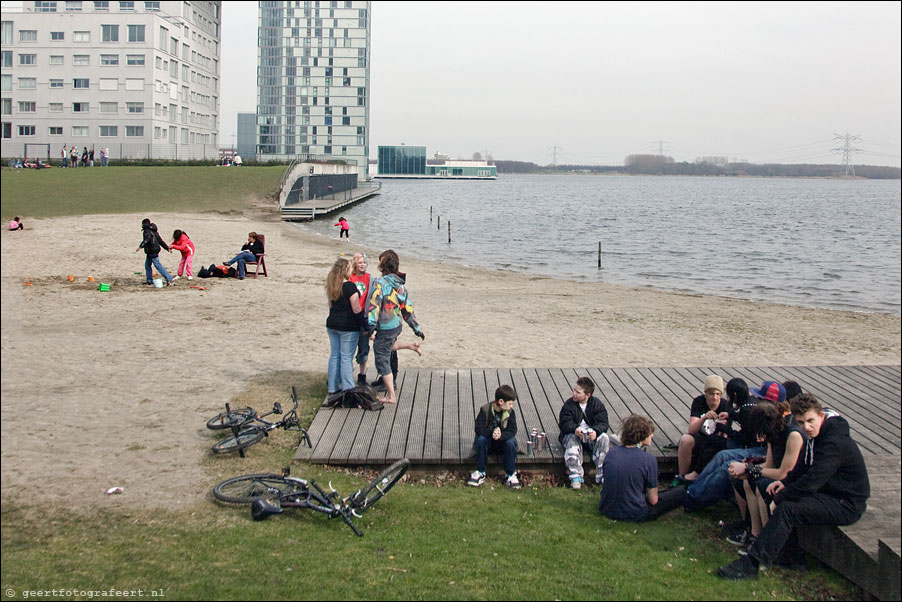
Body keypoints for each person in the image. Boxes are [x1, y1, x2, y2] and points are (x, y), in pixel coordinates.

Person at [718, 393, 870, 580]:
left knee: (787, 508)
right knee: (772, 491)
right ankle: (791, 558)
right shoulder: (818, 434)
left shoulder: (834, 443)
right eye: (801, 422)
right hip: (829, 493)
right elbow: (803, 466)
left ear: (821, 416)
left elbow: (813, 480)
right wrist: (784, 483)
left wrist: (783, 496)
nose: (807, 427)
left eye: (810, 420)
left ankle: (753, 564)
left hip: (846, 503)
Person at [684, 379, 784, 512]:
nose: (756, 400)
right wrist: (732, 415)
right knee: (721, 455)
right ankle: (693, 489)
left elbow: (745, 439)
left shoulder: (773, 421)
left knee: (726, 465)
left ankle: (693, 498)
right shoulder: (759, 411)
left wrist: (724, 428)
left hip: (756, 450)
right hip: (759, 449)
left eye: (759, 398)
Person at [726, 402, 805, 547]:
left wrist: (748, 468)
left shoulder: (793, 436)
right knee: (744, 480)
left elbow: (783, 473)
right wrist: (747, 469)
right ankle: (753, 531)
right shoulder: (773, 435)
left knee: (762, 485)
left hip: (795, 482)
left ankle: (766, 540)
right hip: (781, 477)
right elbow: (769, 465)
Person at [599, 415, 686, 521]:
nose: (652, 436)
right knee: (680, 493)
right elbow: (653, 500)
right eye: (650, 433)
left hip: (606, 509)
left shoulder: (612, 452)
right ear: (642, 435)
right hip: (634, 513)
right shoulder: (648, 459)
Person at [366, 249, 424, 404]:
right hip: (396, 325)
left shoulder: (380, 284)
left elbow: (374, 306)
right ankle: (411, 346)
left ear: (383, 265)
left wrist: (370, 326)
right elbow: (407, 308)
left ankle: (391, 395)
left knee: (381, 358)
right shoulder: (400, 285)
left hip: (386, 326)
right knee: (389, 347)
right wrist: (416, 328)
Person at [675, 375, 731, 483]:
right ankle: (682, 476)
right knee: (686, 439)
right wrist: (704, 417)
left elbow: (726, 434)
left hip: (715, 440)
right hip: (700, 437)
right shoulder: (698, 402)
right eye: (711, 394)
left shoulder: (726, 405)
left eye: (718, 394)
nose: (714, 397)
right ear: (706, 394)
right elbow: (691, 429)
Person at [558, 376, 611, 489]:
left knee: (605, 438)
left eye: (578, 392)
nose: (574, 394)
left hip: (591, 436)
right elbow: (564, 423)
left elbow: (603, 423)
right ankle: (575, 476)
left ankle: (602, 475)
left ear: (587, 395)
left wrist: (596, 432)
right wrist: (574, 429)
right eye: (574, 390)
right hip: (575, 435)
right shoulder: (569, 404)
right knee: (571, 440)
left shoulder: (596, 404)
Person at [467, 385, 521, 489]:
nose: (511, 406)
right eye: (509, 403)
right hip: (489, 443)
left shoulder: (510, 413)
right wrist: (492, 433)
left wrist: (501, 435)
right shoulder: (485, 410)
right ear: (501, 402)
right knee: (481, 440)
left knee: (511, 442)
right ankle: (481, 472)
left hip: (503, 443)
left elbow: (512, 430)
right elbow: (478, 429)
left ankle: (510, 474)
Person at [325, 257, 364, 395]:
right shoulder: (349, 286)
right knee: (346, 356)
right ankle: (348, 387)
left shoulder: (332, 285)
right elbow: (356, 308)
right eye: (350, 268)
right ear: (345, 270)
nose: (352, 270)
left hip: (333, 323)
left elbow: (330, 306)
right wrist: (364, 324)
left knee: (335, 355)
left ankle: (332, 387)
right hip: (348, 326)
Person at [349, 252, 373, 386]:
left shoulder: (370, 278)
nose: (362, 265)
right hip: (352, 317)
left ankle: (362, 374)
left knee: (364, 347)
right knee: (350, 346)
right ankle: (347, 373)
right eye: (360, 263)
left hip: (365, 316)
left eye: (364, 262)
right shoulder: (350, 277)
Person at [135, 218, 173, 286]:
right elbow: (160, 241)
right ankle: (149, 280)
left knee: (157, 265)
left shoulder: (146, 230)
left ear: (143, 224)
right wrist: (167, 248)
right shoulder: (154, 230)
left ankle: (168, 278)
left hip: (152, 250)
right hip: (152, 250)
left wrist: (141, 246)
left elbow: (148, 239)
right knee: (147, 265)